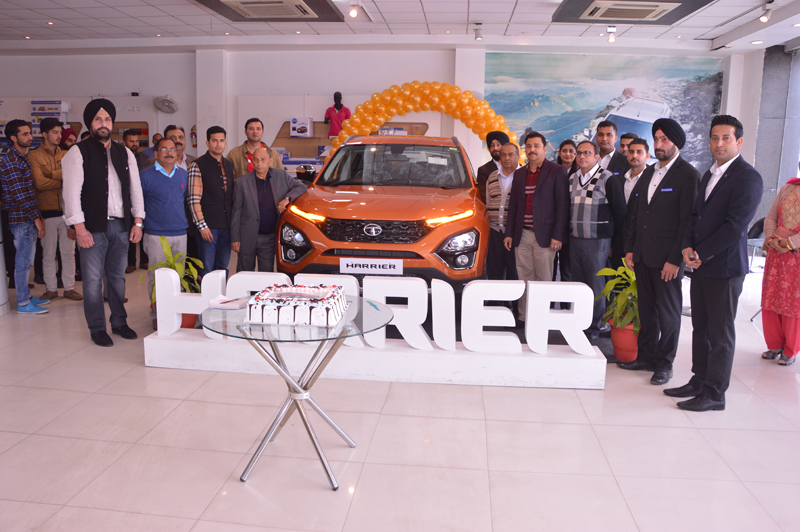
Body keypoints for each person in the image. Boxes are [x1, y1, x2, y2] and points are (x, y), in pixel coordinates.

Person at [667, 115, 763, 412]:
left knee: (720, 334)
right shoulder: (709, 174)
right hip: (701, 265)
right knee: (701, 328)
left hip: (724, 268)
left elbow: (735, 227)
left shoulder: (748, 177)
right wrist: (686, 246)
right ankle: (699, 379)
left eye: (725, 138)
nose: (718, 143)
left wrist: (701, 253)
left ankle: (715, 393)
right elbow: (695, 217)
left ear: (739, 142)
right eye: (714, 138)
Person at [621, 120, 699, 385]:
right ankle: (646, 357)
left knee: (668, 315)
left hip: (667, 260)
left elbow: (688, 222)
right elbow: (637, 215)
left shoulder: (687, 174)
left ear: (676, 142)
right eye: (656, 139)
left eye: (664, 139)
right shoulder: (649, 172)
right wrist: (630, 248)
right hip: (642, 255)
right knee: (647, 312)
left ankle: (665, 365)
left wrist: (675, 260)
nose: (658, 145)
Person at [63, 99, 145, 347]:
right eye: (98, 119)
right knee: (91, 280)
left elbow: (135, 188)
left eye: (107, 119)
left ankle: (119, 322)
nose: (103, 124)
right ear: (90, 123)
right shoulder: (78, 151)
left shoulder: (124, 152)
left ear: (112, 122)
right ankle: (97, 328)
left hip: (121, 226)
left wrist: (138, 221)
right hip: (92, 228)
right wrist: (79, 228)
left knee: (117, 278)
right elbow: (71, 193)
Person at [504, 132, 570, 321]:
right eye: (529, 146)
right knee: (524, 278)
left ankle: (542, 317)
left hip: (546, 236)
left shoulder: (557, 171)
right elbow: (514, 206)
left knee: (544, 278)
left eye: (536, 146)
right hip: (521, 234)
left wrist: (557, 235)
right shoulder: (519, 174)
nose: (532, 150)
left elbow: (562, 206)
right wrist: (509, 233)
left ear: (545, 148)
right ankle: (525, 316)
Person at [568, 140, 627, 339]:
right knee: (578, 285)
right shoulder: (573, 177)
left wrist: (613, 242)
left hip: (598, 242)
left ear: (596, 156)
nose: (582, 156)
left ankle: (594, 326)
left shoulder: (607, 178)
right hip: (575, 240)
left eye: (587, 153)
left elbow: (620, 213)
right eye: (579, 153)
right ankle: (578, 323)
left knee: (595, 286)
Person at [28, 117, 82, 302]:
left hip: (67, 211)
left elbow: (73, 178)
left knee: (68, 253)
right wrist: (62, 177)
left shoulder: (67, 154)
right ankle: (51, 289)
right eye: (55, 132)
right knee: (48, 253)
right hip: (47, 211)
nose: (59, 135)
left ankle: (69, 288)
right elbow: (39, 183)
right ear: (44, 134)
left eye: (60, 132)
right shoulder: (34, 155)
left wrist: (51, 174)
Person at [0, 120, 49, 314]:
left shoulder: (22, 158)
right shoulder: (11, 161)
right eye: (25, 134)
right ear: (13, 138)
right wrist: (36, 217)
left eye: (30, 133)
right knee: (22, 262)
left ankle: (26, 296)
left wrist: (36, 216)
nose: (30, 137)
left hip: (28, 216)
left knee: (27, 261)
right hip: (21, 218)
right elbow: (18, 194)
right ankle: (22, 302)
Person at [231, 147, 307, 272]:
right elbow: (236, 211)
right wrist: (235, 238)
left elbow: (301, 187)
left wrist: (287, 198)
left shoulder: (281, 175)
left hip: (269, 237)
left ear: (270, 161)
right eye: (256, 160)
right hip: (247, 237)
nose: (259, 163)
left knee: (266, 274)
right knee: (244, 274)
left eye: (263, 160)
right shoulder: (241, 182)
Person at [139, 138, 188, 328]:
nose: (169, 153)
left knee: (179, 275)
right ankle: (158, 313)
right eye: (164, 149)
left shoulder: (183, 174)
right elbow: (138, 203)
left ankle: (175, 310)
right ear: (156, 153)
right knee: (157, 275)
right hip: (156, 234)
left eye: (172, 149)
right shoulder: (145, 176)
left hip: (180, 232)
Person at [761, 162, 800, 366]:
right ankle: (775, 345)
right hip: (776, 253)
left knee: (792, 303)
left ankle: (790, 350)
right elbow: (771, 216)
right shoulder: (788, 187)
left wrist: (790, 243)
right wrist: (770, 239)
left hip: (796, 257)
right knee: (772, 298)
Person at [187, 126, 235, 277]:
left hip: (226, 227)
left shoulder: (229, 164)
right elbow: (193, 199)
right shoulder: (197, 165)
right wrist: (202, 226)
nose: (218, 144)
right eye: (214, 140)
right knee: (207, 268)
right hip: (208, 227)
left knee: (222, 267)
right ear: (207, 143)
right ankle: (206, 300)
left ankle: (221, 299)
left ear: (225, 143)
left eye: (221, 141)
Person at [485, 142, 520, 306]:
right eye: (503, 155)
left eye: (511, 154)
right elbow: (488, 202)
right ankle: (494, 307)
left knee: (514, 271)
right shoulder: (492, 177)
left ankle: (512, 309)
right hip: (494, 231)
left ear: (518, 156)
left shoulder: (524, 176)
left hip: (515, 234)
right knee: (494, 270)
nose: (506, 158)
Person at [123, 129, 150, 274]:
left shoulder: (145, 158)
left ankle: (144, 260)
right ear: (124, 142)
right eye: (131, 141)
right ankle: (131, 262)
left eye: (136, 141)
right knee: (130, 230)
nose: (135, 144)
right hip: (126, 199)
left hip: (143, 198)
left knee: (144, 230)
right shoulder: (120, 157)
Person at [554, 139, 578, 282]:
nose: (568, 154)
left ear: (576, 154)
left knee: (567, 270)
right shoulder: (553, 171)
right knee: (549, 268)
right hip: (553, 226)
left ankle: (565, 304)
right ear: (559, 153)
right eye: (564, 151)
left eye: (571, 151)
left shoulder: (580, 173)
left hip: (571, 228)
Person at [476, 131, 508, 204]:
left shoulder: (516, 168)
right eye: (492, 145)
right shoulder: (483, 170)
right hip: (494, 210)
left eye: (498, 145)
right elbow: (484, 197)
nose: (495, 148)